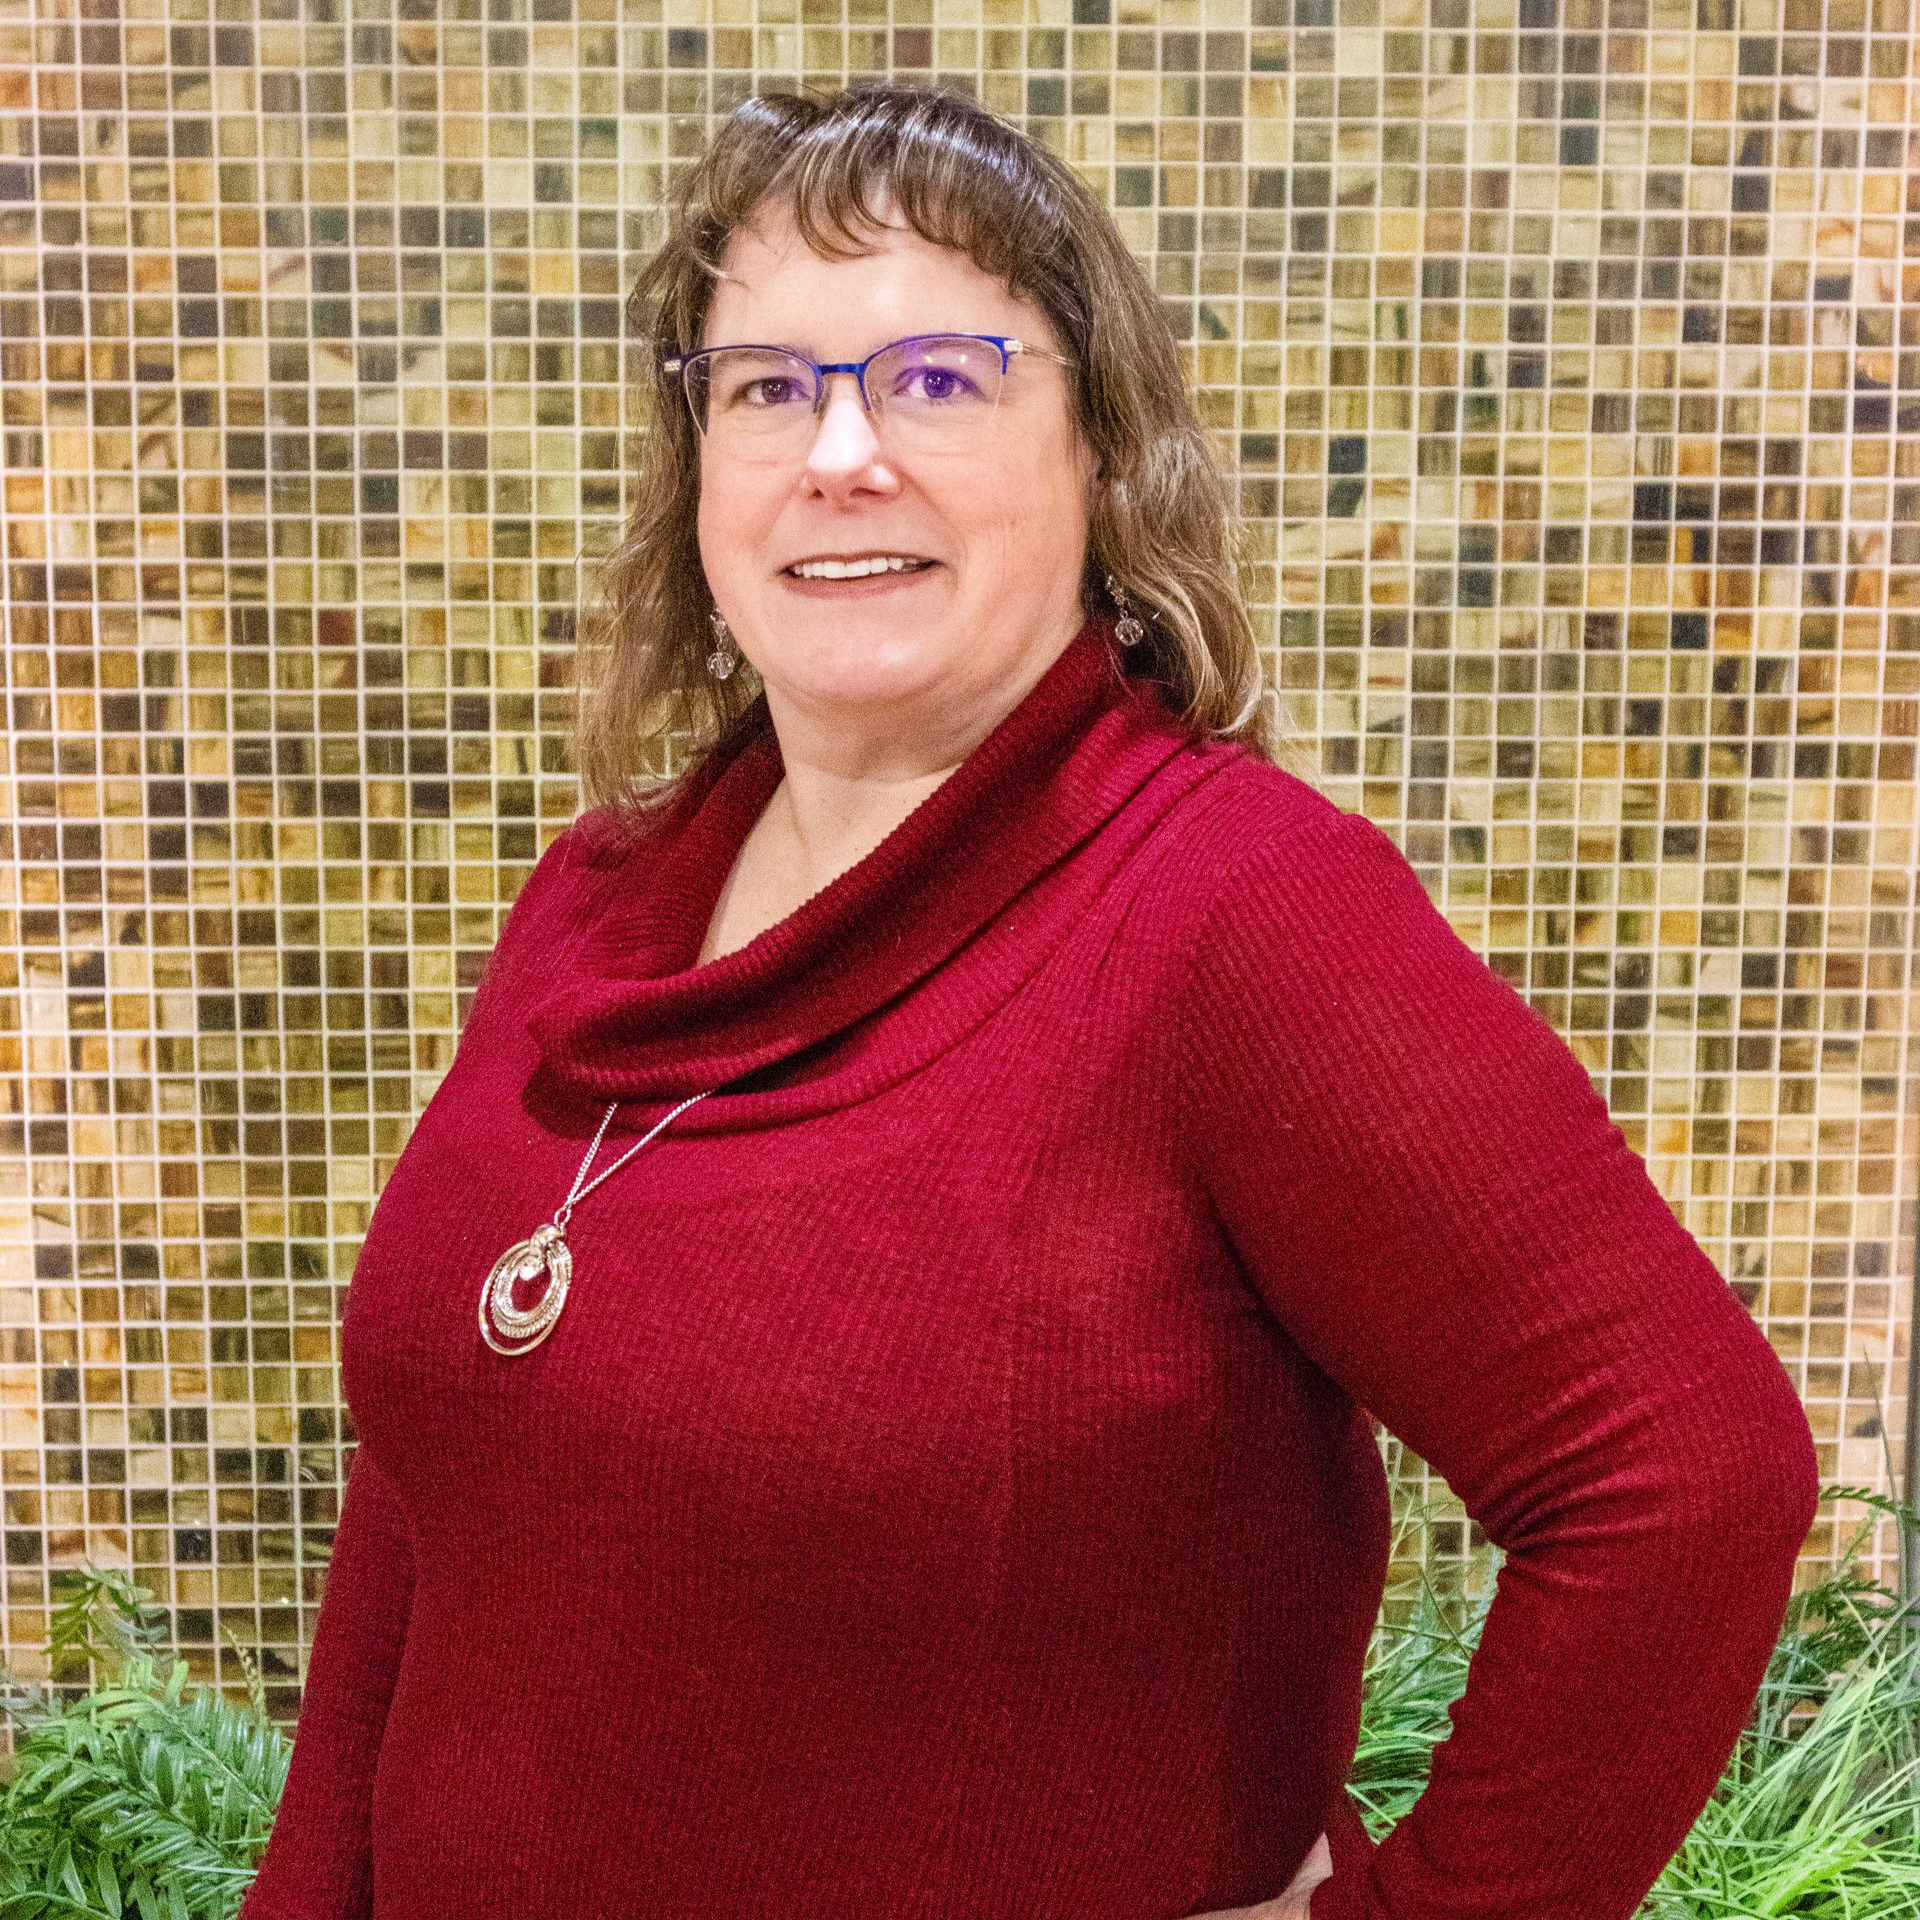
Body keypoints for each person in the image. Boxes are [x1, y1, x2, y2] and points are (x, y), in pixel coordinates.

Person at [237, 82, 1819, 1920]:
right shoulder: (598, 904)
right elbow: (432, 1511)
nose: (840, 452)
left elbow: (1684, 1477)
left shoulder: (1231, 909)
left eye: (938, 376)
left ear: (1102, 453)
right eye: (765, 388)